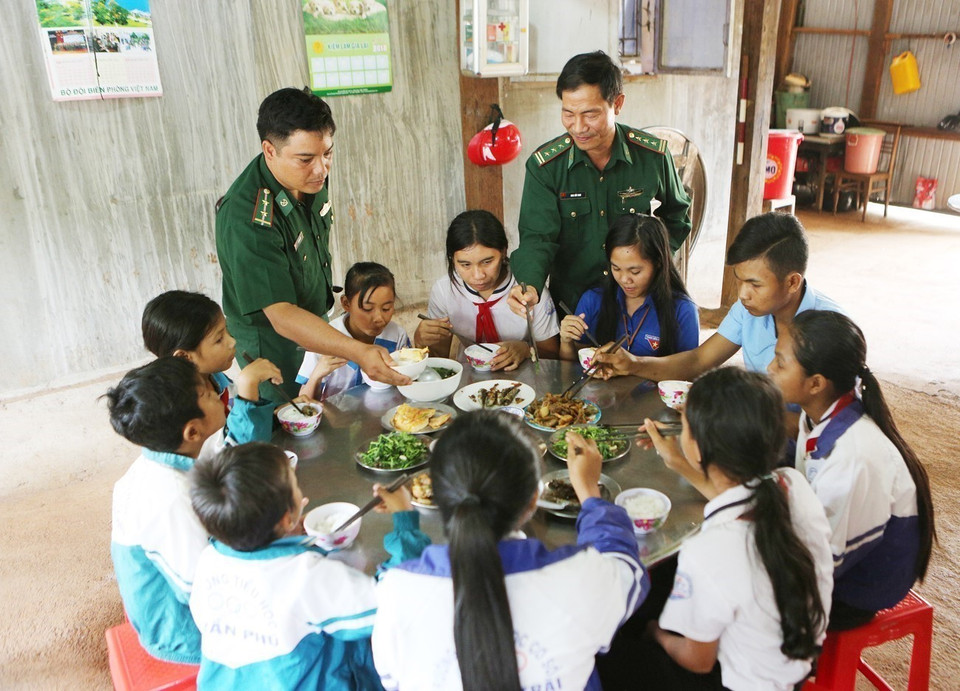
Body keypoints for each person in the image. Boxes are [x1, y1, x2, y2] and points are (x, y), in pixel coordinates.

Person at [371, 411, 648, 690]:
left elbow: (392, 681)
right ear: (534, 499)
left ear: (437, 497)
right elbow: (628, 570)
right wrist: (589, 492)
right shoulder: (582, 578)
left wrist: (405, 518)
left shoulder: (397, 591)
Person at [631, 368, 833, 689]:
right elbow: (740, 502)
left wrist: (656, 632)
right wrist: (678, 461)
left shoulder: (707, 551)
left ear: (697, 448)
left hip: (739, 682)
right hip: (794, 665)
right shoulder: (793, 484)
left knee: (621, 646)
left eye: (684, 424)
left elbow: (698, 661)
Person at [215, 87, 407, 402]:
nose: (321, 169)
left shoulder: (309, 178)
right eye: (305, 159)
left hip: (313, 318)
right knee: (289, 416)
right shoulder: (249, 217)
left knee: (325, 404)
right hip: (273, 340)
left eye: (327, 153)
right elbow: (281, 314)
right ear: (270, 150)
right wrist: (358, 351)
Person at [188, 442, 430, 689]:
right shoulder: (305, 575)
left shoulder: (208, 560)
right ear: (286, 518)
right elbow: (396, 600)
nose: (304, 497)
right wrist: (405, 520)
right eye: (295, 485)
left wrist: (286, 536)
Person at [767, 310, 936, 630]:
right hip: (837, 554)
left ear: (816, 383)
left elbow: (820, 564)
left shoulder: (853, 456)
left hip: (859, 589)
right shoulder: (821, 415)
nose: (769, 368)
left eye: (780, 362)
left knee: (732, 589)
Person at [507, 50, 691, 315]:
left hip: (638, 300)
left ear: (617, 104)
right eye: (568, 113)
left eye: (590, 114)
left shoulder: (652, 156)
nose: (578, 127)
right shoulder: (545, 167)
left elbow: (677, 215)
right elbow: (537, 237)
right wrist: (529, 285)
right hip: (573, 305)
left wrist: (654, 261)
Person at [104, 356, 254, 663]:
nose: (216, 392)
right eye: (207, 394)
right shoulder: (170, 497)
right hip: (183, 633)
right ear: (192, 432)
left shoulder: (160, 462)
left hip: (178, 601)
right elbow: (202, 592)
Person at [594, 212, 842, 382]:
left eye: (755, 284)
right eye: (739, 280)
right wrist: (634, 364)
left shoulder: (832, 329)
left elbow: (832, 421)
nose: (742, 294)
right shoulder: (748, 310)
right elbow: (699, 360)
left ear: (792, 282)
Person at [416, 210, 560, 371]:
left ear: (504, 251)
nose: (478, 275)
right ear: (452, 259)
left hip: (524, 378)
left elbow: (553, 354)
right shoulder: (444, 291)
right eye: (465, 265)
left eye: (487, 262)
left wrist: (526, 350)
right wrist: (421, 341)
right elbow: (439, 361)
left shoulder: (527, 290)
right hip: (469, 378)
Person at [141, 290, 279, 455]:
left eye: (226, 330)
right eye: (219, 339)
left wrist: (280, 414)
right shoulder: (183, 413)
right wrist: (247, 387)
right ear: (185, 357)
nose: (232, 341)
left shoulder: (216, 379)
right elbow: (236, 458)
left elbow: (238, 421)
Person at [558, 213, 699, 362]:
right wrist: (566, 342)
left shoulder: (683, 310)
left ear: (658, 262)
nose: (625, 279)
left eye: (635, 271)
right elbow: (571, 367)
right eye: (616, 268)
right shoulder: (593, 300)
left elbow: (689, 369)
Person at [296, 262, 406, 399]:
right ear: (346, 303)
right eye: (367, 309)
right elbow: (303, 401)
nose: (379, 318)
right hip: (336, 412)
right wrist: (317, 375)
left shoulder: (397, 335)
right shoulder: (324, 339)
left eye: (386, 308)